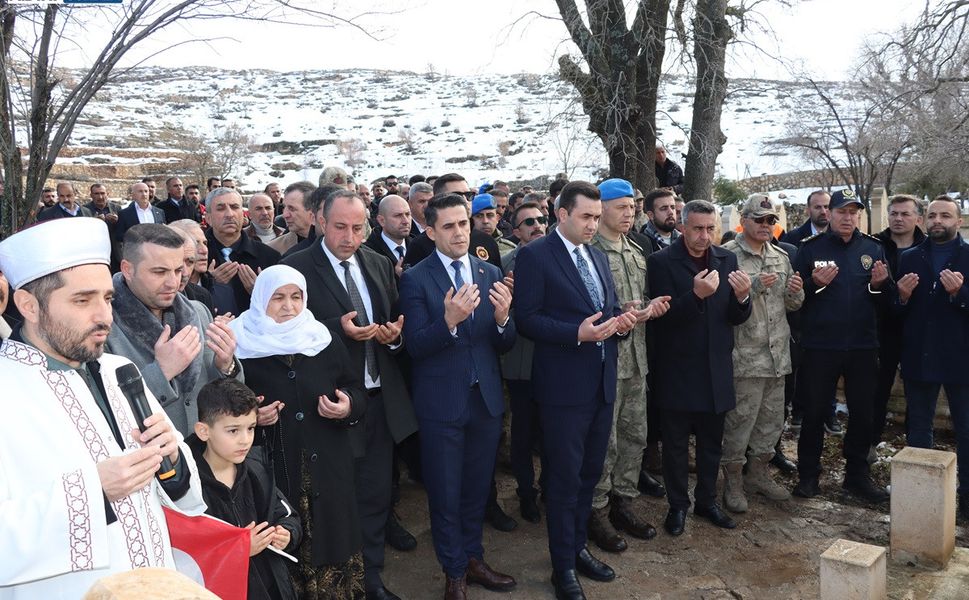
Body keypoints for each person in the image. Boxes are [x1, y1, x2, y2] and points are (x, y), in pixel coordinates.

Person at [0, 217, 206, 598]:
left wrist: (172, 457)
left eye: (107, 298)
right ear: (28, 305)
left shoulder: (120, 371)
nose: (103, 316)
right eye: (82, 300)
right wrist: (94, 492)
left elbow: (180, 492)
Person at [282, 190, 418, 600]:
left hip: (378, 401)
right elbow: (283, 333)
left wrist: (394, 338)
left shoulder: (376, 263)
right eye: (340, 227)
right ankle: (335, 586)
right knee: (332, 504)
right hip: (328, 407)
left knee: (376, 498)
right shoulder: (296, 269)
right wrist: (335, 328)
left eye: (358, 228)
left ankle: (371, 581)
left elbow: (395, 322)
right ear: (320, 221)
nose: (349, 237)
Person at [514, 181, 639, 600]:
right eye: (585, 216)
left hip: (602, 383)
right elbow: (527, 319)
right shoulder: (535, 256)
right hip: (563, 391)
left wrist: (623, 321)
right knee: (565, 480)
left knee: (589, 474)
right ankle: (562, 567)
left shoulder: (597, 256)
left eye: (595, 216)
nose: (593, 224)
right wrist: (576, 334)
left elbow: (607, 311)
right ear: (561, 213)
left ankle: (578, 547)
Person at [399, 193, 518, 600]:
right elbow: (413, 346)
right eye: (448, 226)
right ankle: (453, 572)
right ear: (430, 231)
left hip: (484, 401)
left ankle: (473, 559)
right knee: (446, 493)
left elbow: (504, 343)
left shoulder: (489, 271)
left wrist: (503, 320)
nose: (459, 232)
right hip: (441, 405)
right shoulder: (416, 278)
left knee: (477, 488)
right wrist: (448, 322)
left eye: (463, 223)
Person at [647, 200, 752, 536]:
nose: (704, 236)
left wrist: (743, 298)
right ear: (682, 226)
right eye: (697, 228)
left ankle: (707, 501)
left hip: (716, 368)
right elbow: (659, 321)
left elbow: (734, 318)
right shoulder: (661, 262)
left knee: (711, 443)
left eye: (710, 229)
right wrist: (695, 297)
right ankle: (678, 505)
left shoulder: (727, 259)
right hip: (677, 369)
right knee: (676, 446)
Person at [791, 189, 893, 503]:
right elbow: (796, 299)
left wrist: (878, 286)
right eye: (841, 212)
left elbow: (884, 301)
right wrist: (815, 285)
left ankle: (856, 476)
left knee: (863, 413)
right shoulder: (809, 249)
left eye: (853, 212)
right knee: (814, 413)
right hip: (821, 346)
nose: (847, 218)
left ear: (858, 215)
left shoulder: (873, 248)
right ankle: (808, 475)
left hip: (862, 346)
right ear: (829, 215)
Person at [587, 179, 670, 554]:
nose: (630, 212)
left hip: (637, 362)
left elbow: (639, 299)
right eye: (621, 206)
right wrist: (616, 316)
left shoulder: (636, 249)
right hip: (604, 363)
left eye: (632, 206)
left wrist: (651, 308)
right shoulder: (589, 252)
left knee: (634, 437)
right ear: (600, 208)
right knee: (605, 442)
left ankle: (624, 502)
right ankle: (596, 511)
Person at [106, 224, 243, 436]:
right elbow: (106, 411)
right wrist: (161, 372)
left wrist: (227, 366)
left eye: (178, 270)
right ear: (127, 269)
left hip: (204, 454)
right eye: (159, 272)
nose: (173, 282)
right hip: (151, 458)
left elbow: (226, 392)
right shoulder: (104, 328)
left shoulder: (198, 312)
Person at [720, 196, 803, 513]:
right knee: (739, 424)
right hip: (746, 358)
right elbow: (719, 305)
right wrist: (750, 287)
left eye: (771, 220)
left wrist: (797, 290)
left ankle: (758, 474)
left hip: (777, 357)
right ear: (744, 220)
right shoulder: (727, 256)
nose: (766, 225)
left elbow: (793, 305)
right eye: (759, 219)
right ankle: (733, 481)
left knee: (770, 424)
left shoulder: (781, 256)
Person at [188, 378, 302, 600]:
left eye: (251, 428)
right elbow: (187, 553)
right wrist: (238, 550)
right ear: (204, 431)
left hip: (270, 588)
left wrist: (287, 533)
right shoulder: (188, 485)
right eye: (233, 431)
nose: (245, 440)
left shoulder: (256, 469)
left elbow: (286, 513)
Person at [894, 196, 969, 519]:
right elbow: (898, 312)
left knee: (965, 430)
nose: (938, 220)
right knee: (919, 427)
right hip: (919, 355)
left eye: (946, 216)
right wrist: (902, 296)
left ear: (959, 221)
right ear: (924, 221)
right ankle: (919, 495)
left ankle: (966, 497)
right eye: (933, 215)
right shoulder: (911, 257)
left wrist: (960, 294)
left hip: (961, 358)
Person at [500, 202, 548, 523]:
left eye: (541, 219)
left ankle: (548, 486)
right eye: (528, 222)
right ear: (515, 231)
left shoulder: (561, 256)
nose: (537, 225)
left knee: (552, 432)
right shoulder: (504, 265)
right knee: (522, 433)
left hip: (555, 359)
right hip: (521, 362)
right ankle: (526, 492)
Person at [871, 194, 925, 458]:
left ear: (918, 218)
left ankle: (916, 451)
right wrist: (883, 288)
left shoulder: (928, 248)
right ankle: (868, 446)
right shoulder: (874, 246)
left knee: (918, 393)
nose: (899, 218)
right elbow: (866, 290)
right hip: (883, 330)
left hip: (918, 331)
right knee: (877, 391)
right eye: (894, 213)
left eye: (905, 214)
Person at [205, 187, 281, 315]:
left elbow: (283, 306)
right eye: (221, 208)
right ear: (208, 218)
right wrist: (210, 285)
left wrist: (259, 292)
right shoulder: (196, 257)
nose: (229, 214)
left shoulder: (269, 256)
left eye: (235, 207)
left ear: (243, 214)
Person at [364, 194, 411, 280]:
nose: (405, 221)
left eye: (407, 214)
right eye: (398, 215)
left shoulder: (418, 246)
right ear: (382, 220)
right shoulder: (368, 254)